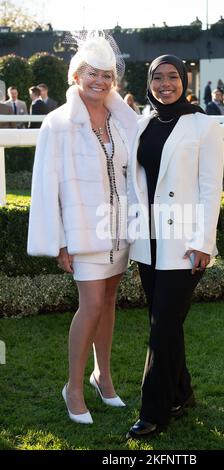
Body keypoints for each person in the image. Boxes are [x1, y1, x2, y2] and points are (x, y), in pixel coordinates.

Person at [27, 31, 138, 424]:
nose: (100, 81)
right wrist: (59, 241)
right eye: (92, 73)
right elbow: (45, 187)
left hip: (119, 231)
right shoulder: (57, 124)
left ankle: (102, 376)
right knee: (90, 305)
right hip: (82, 234)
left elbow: (131, 175)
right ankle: (73, 387)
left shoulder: (124, 121)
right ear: (76, 76)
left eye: (107, 75)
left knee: (108, 304)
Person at [126, 54, 224, 438]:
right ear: (149, 82)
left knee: (162, 325)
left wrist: (203, 242)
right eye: (157, 78)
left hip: (185, 242)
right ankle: (182, 394)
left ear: (184, 80)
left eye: (172, 77)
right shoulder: (143, 122)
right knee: (164, 323)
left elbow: (210, 189)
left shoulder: (204, 125)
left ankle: (154, 410)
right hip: (148, 241)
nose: (165, 84)